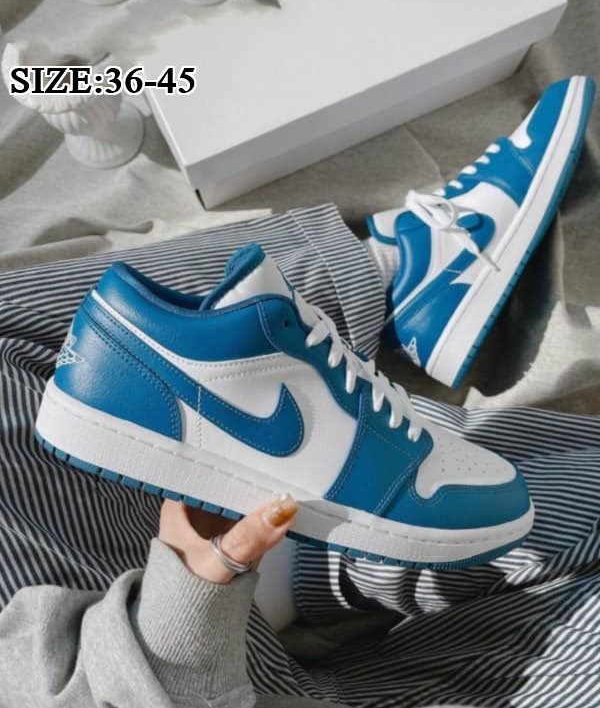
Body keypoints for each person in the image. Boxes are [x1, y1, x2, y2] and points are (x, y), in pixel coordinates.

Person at [0, 79, 598, 707]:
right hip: (215, 683)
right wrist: (178, 636)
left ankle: (400, 273)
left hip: (110, 576)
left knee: (515, 501)